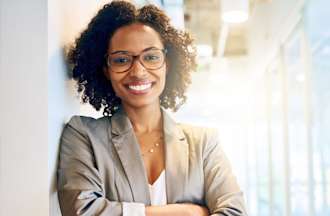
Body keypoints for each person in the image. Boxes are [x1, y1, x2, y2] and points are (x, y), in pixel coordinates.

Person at [57, 1, 247, 215]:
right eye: (121, 59)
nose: (138, 71)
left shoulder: (203, 143)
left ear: (168, 63)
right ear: (105, 70)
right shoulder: (83, 135)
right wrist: (188, 212)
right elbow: (82, 211)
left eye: (151, 57)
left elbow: (234, 212)